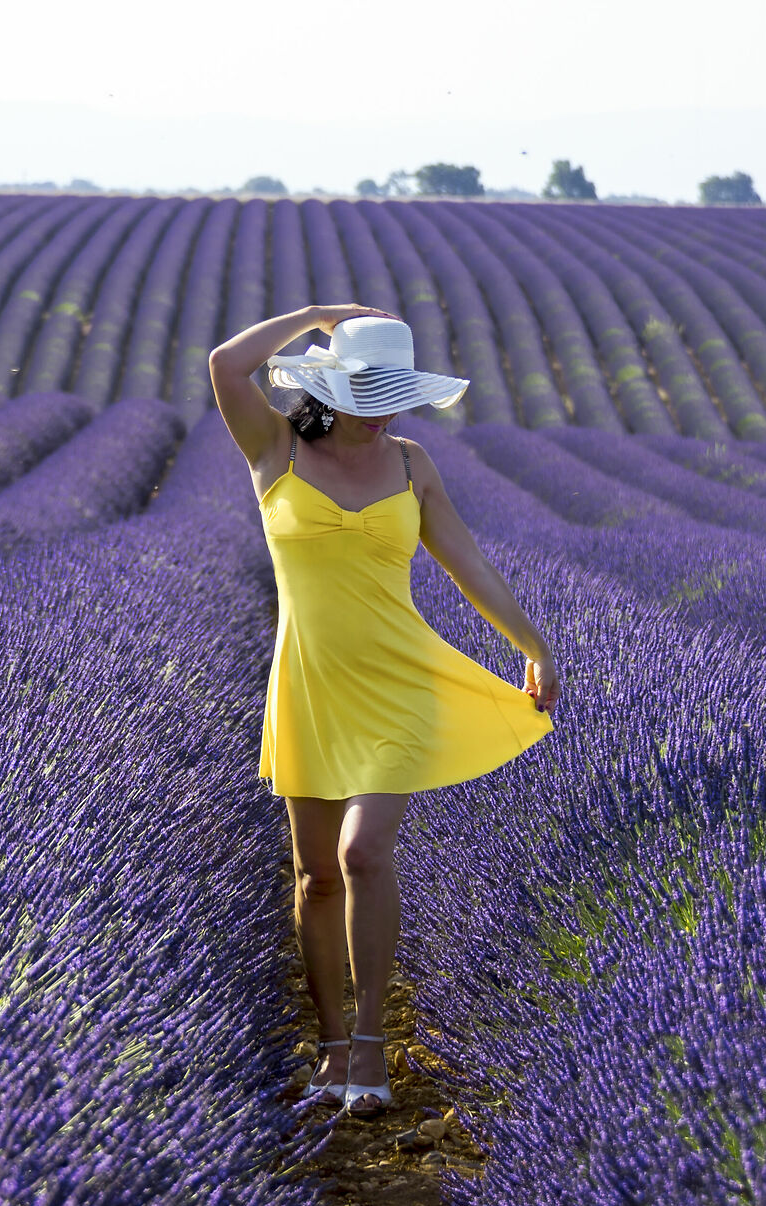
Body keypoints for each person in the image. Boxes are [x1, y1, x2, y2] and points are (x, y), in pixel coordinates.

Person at [209, 306, 561, 1118]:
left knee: (365, 852)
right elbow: (228, 366)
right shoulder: (276, 449)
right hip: (309, 683)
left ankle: (371, 1043)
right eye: (368, 388)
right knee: (316, 877)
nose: (383, 407)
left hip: (401, 681)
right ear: (332, 385)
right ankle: (331, 1045)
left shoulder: (411, 463)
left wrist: (534, 644)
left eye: (394, 390)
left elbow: (468, 562)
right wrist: (312, 318)